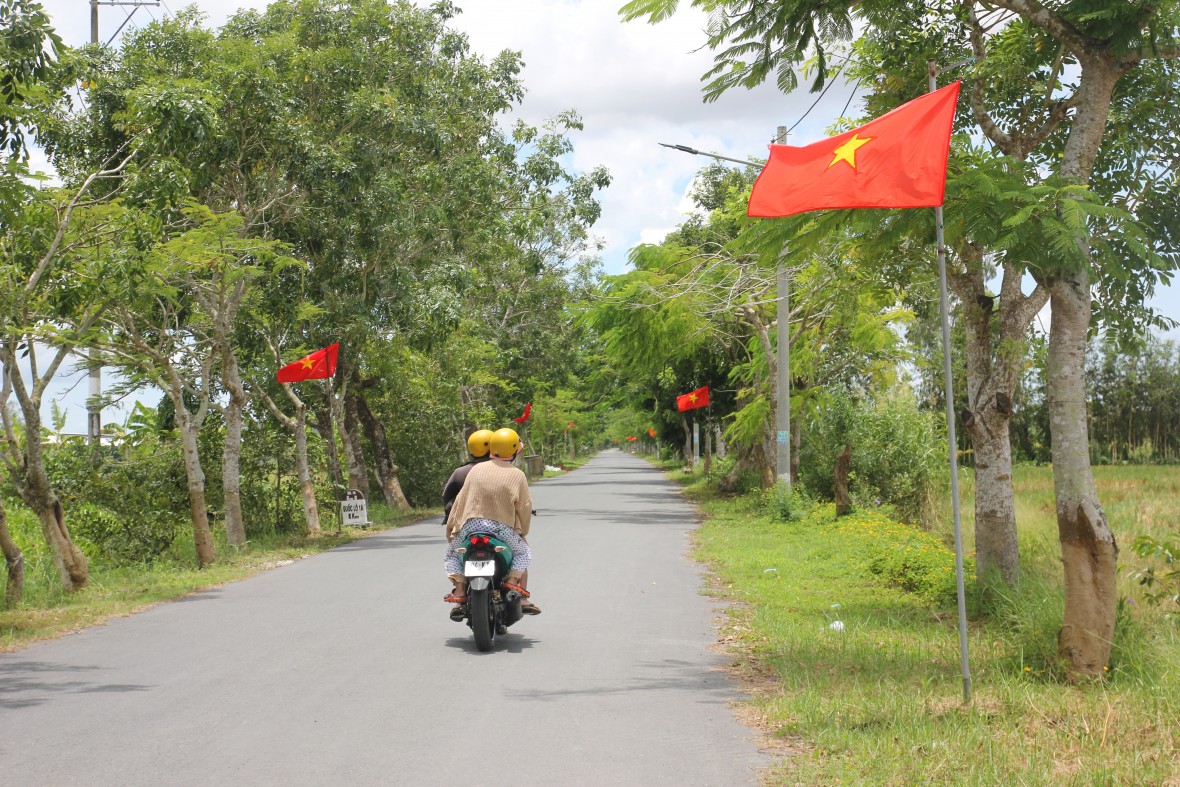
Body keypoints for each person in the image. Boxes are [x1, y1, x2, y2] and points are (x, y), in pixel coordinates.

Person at [442, 426, 541, 617]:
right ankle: (512, 583)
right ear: (513, 450)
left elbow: (460, 501)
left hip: (470, 527)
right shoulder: (517, 474)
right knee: (523, 552)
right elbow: (524, 506)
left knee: (452, 556)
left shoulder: (476, 470)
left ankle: (461, 590)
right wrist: (523, 531)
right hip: (501, 530)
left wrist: (452, 530)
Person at [441, 429, 493, 529]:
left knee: (455, 543)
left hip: (466, 525)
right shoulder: (502, 470)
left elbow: (446, 495)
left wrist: (448, 516)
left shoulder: (460, 472)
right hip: (499, 524)